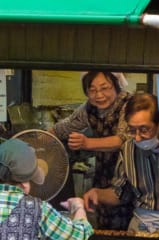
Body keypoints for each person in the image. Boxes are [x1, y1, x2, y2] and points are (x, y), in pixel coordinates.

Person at [82, 93, 159, 237]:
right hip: (141, 229)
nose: (138, 137)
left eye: (144, 129)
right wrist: (96, 193)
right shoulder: (129, 149)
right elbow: (120, 194)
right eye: (132, 130)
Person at [50, 69, 133, 230]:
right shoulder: (89, 108)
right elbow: (62, 128)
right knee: (105, 228)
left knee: (127, 229)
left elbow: (122, 140)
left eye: (105, 88)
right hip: (103, 175)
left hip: (129, 174)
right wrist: (38, 141)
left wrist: (87, 143)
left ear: (116, 85)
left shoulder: (128, 104)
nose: (99, 95)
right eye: (92, 90)